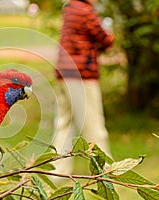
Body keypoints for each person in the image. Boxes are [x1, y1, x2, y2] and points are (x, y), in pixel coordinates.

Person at [52, 0, 114, 179]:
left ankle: (57, 172)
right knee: (93, 125)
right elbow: (104, 39)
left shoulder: (70, 8)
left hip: (63, 73)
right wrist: (110, 33)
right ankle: (105, 172)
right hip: (81, 75)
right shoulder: (86, 11)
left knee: (64, 123)